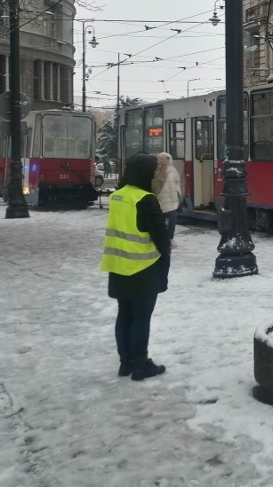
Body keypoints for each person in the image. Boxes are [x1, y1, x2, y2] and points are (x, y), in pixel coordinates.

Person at [100, 153, 170, 381]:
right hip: (143, 267)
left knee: (124, 314)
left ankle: (125, 363)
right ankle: (141, 364)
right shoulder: (146, 199)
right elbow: (161, 237)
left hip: (118, 265)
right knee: (141, 317)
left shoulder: (117, 196)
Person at [152, 152, 182, 249]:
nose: (165, 161)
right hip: (161, 199)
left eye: (167, 159)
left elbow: (177, 182)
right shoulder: (156, 170)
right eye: (163, 159)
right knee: (162, 221)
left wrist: (178, 192)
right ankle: (163, 239)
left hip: (172, 199)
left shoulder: (173, 170)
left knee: (172, 220)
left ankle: (170, 238)